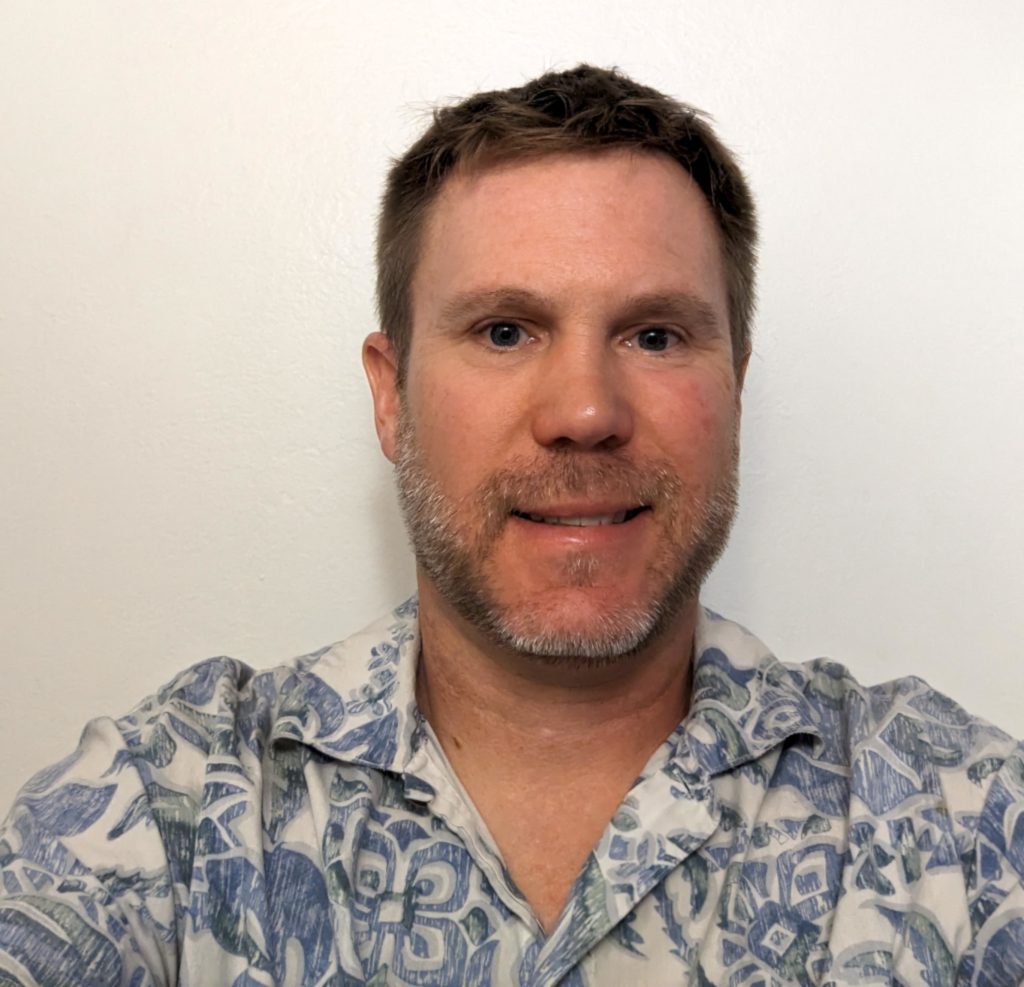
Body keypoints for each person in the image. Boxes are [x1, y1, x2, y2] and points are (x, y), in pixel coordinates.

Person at [1, 64, 1021, 987]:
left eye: (654, 334)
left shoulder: (959, 828)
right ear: (391, 396)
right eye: (503, 331)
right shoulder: (164, 816)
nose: (584, 411)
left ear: (735, 388)